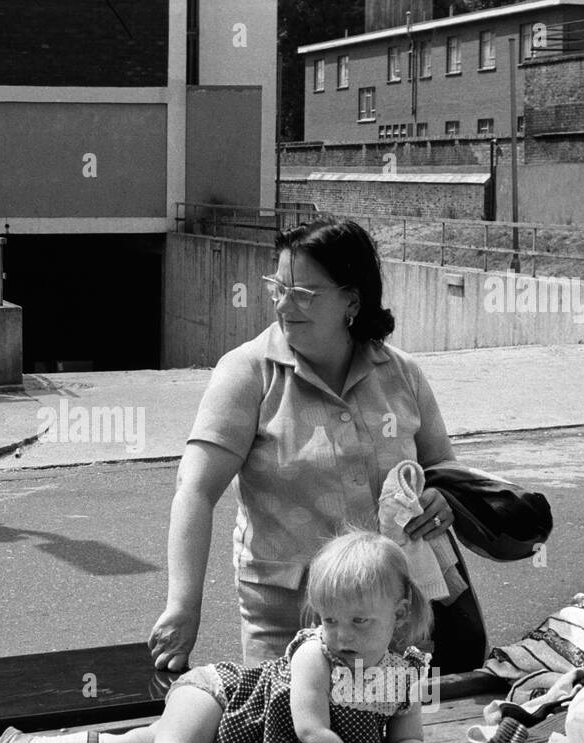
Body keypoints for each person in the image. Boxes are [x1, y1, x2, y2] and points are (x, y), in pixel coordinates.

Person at [147, 214, 486, 673]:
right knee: (297, 738)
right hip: (290, 627)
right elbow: (195, 490)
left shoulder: (401, 373)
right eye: (278, 288)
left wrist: (440, 498)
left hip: (395, 623)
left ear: (352, 300)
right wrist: (184, 604)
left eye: (304, 293)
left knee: (399, 738)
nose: (285, 306)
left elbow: (444, 469)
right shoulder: (248, 373)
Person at [0, 530, 448, 743]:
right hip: (223, 699)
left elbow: (407, 734)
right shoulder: (317, 657)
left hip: (234, 732)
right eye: (328, 618)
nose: (341, 634)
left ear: (399, 613)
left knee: (144, 740)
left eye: (359, 621)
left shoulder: (402, 672)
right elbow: (312, 730)